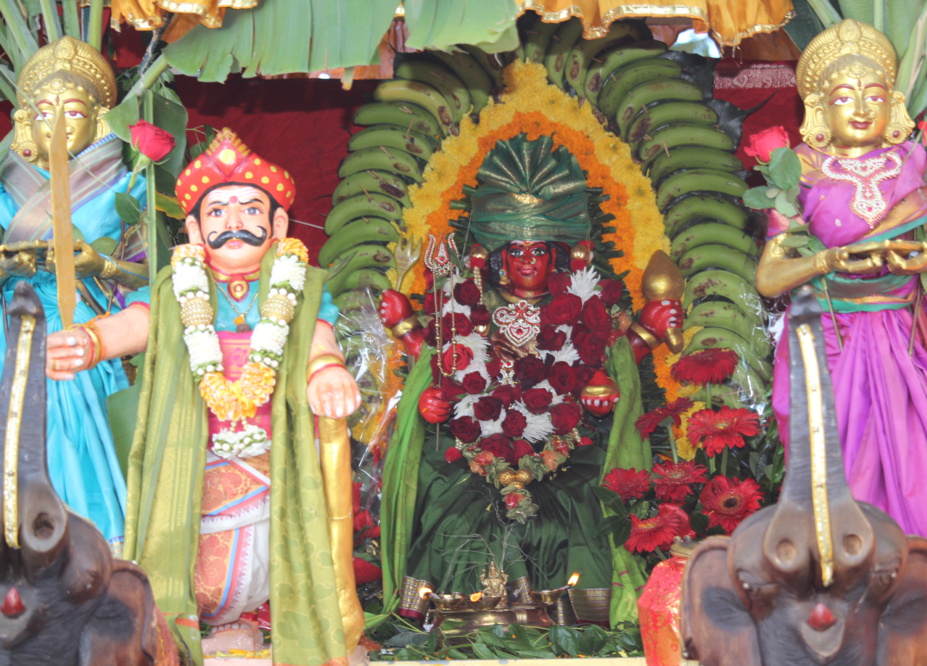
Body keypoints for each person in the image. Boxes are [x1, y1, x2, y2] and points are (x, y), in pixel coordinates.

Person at [46, 129, 362, 665]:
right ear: (193, 228)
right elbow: (135, 324)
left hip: (277, 461)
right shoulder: (178, 288)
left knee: (284, 560)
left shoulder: (298, 286)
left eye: (248, 209)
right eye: (216, 212)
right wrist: (90, 342)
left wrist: (326, 374)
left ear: (278, 224)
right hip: (196, 463)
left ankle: (263, 627)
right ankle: (196, 634)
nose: (232, 222)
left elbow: (317, 339)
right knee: (201, 575)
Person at [378, 135, 684, 624]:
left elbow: (612, 363)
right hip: (473, 448)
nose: (526, 260)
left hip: (568, 447)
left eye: (538, 249)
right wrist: (412, 345)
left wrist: (644, 333)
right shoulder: (465, 302)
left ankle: (577, 622)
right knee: (463, 514)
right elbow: (442, 363)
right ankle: (451, 616)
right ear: (496, 255)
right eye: (514, 249)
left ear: (556, 255)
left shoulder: (585, 306)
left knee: (570, 510)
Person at [756, 19, 927, 618]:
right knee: (844, 461)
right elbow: (769, 278)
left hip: (907, 337)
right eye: (843, 97)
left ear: (892, 103)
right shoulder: (799, 172)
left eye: (872, 95)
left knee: (921, 457)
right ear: (818, 109)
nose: (859, 108)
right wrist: (829, 258)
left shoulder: (920, 162)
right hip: (834, 339)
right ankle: (848, 586)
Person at [0, 36, 149, 554]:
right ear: (24, 122)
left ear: (100, 120)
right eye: (43, 111)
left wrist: (100, 264)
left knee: (81, 440)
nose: (57, 122)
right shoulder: (3, 190)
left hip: (88, 335)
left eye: (73, 110)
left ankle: (90, 553)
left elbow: (161, 281)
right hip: (12, 332)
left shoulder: (130, 189)